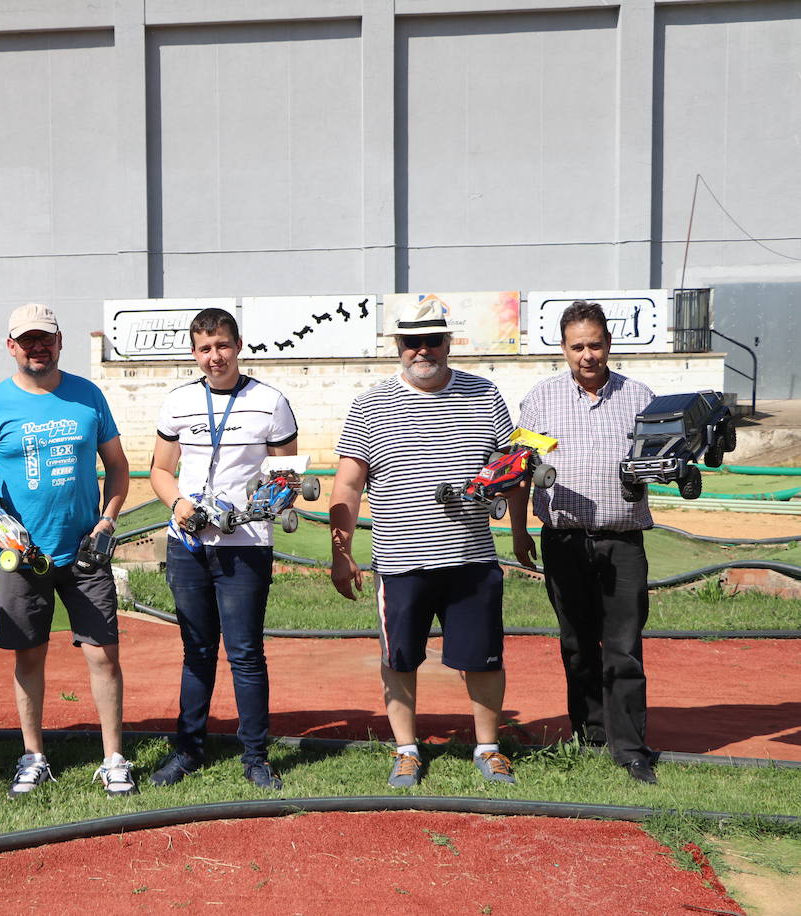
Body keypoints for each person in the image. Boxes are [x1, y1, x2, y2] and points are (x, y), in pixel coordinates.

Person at [329, 298, 517, 788]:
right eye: (412, 341)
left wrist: (518, 530)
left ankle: (489, 748)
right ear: (398, 345)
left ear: (448, 342)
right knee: (400, 659)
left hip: (471, 558)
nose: (422, 350)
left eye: (433, 340)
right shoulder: (370, 403)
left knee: (482, 658)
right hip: (401, 561)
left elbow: (514, 468)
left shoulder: (485, 395)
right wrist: (341, 553)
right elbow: (348, 485)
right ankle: (407, 750)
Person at [0, 303, 135, 799]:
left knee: (104, 656)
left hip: (83, 551)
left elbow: (117, 466)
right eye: (26, 340)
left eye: (45, 338)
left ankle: (113, 758)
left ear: (60, 342)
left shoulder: (87, 395)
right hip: (22, 554)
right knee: (28, 657)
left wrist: (107, 518)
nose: (37, 347)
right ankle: (33, 756)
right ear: (11, 346)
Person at [147, 307, 300, 790]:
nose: (215, 357)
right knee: (196, 650)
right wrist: (177, 503)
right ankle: (188, 750)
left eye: (222, 346)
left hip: (245, 546)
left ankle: (255, 756)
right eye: (205, 349)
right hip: (188, 544)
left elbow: (287, 475)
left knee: (246, 653)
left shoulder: (270, 402)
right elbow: (159, 470)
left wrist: (277, 495)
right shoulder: (178, 402)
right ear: (194, 353)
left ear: (237, 346)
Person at [509, 300, 658, 783]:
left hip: (622, 541)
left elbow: (659, 461)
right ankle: (590, 733)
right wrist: (518, 531)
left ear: (609, 344)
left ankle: (631, 747)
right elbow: (519, 470)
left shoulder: (641, 398)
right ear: (563, 348)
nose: (587, 355)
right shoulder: (539, 400)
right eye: (578, 347)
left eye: (596, 344)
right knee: (576, 643)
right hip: (563, 540)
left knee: (623, 645)